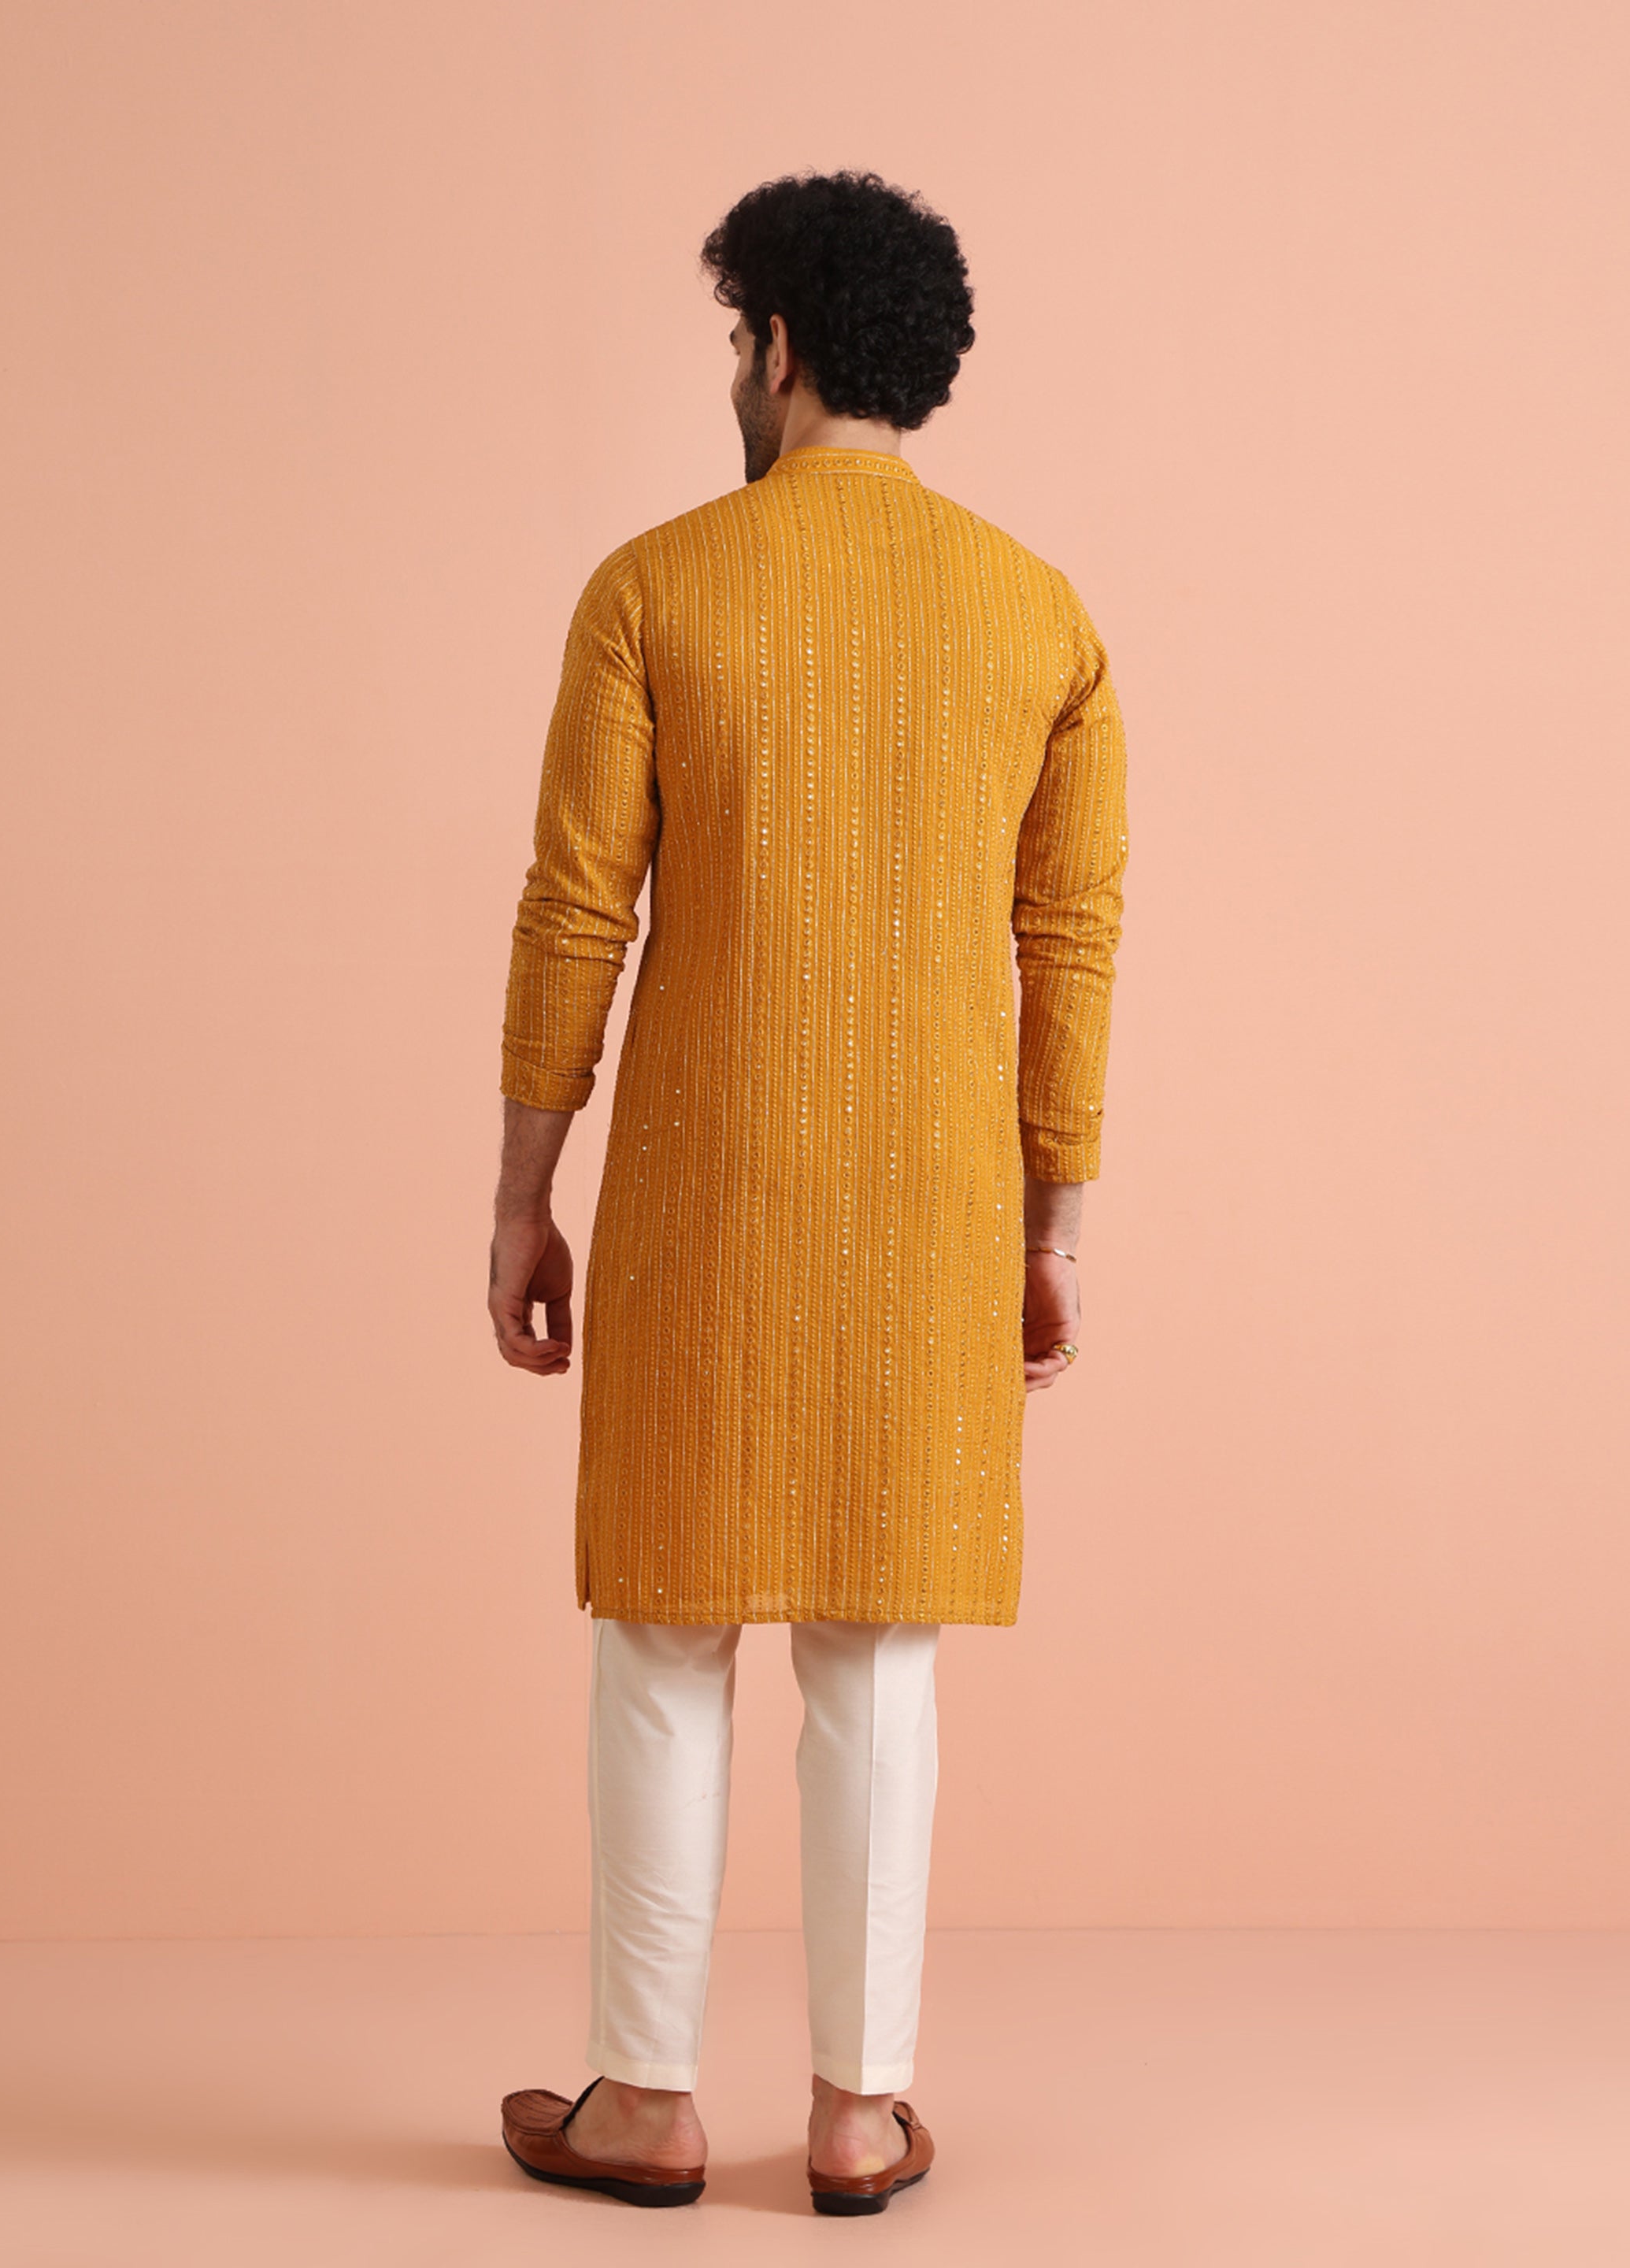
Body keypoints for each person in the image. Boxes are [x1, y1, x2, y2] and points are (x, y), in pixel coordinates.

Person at [488, 169, 1129, 2215]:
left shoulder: (654, 588)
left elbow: (577, 911)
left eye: (733, 339)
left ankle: (644, 2100)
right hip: (932, 1202)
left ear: (774, 345)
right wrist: (1052, 1228)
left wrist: (522, 1194)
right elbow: (1071, 941)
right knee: (876, 1653)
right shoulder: (1038, 613)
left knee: (664, 1633)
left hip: (704, 1187)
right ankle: (860, 2115)